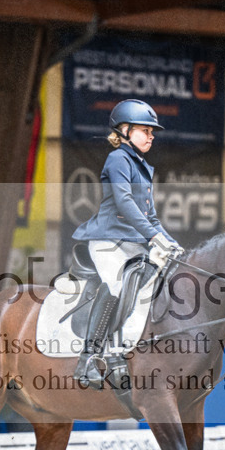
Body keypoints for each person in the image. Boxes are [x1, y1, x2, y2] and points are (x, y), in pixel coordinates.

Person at [70, 99, 182, 387]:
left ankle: (122, 353)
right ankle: (89, 358)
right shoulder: (119, 158)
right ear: (125, 130)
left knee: (155, 286)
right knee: (118, 286)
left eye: (152, 131)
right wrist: (154, 238)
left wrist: (172, 244)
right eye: (145, 130)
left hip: (132, 244)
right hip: (107, 241)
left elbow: (151, 217)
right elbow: (125, 203)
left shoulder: (143, 167)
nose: (151, 136)